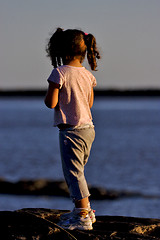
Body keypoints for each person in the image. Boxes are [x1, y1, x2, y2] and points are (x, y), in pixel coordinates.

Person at [44, 28, 100, 230]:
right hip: (89, 129)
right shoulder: (87, 76)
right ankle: (84, 210)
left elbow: (51, 103)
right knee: (79, 171)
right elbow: (90, 103)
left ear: (62, 51)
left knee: (73, 173)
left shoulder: (59, 73)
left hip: (71, 132)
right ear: (84, 52)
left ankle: (83, 215)